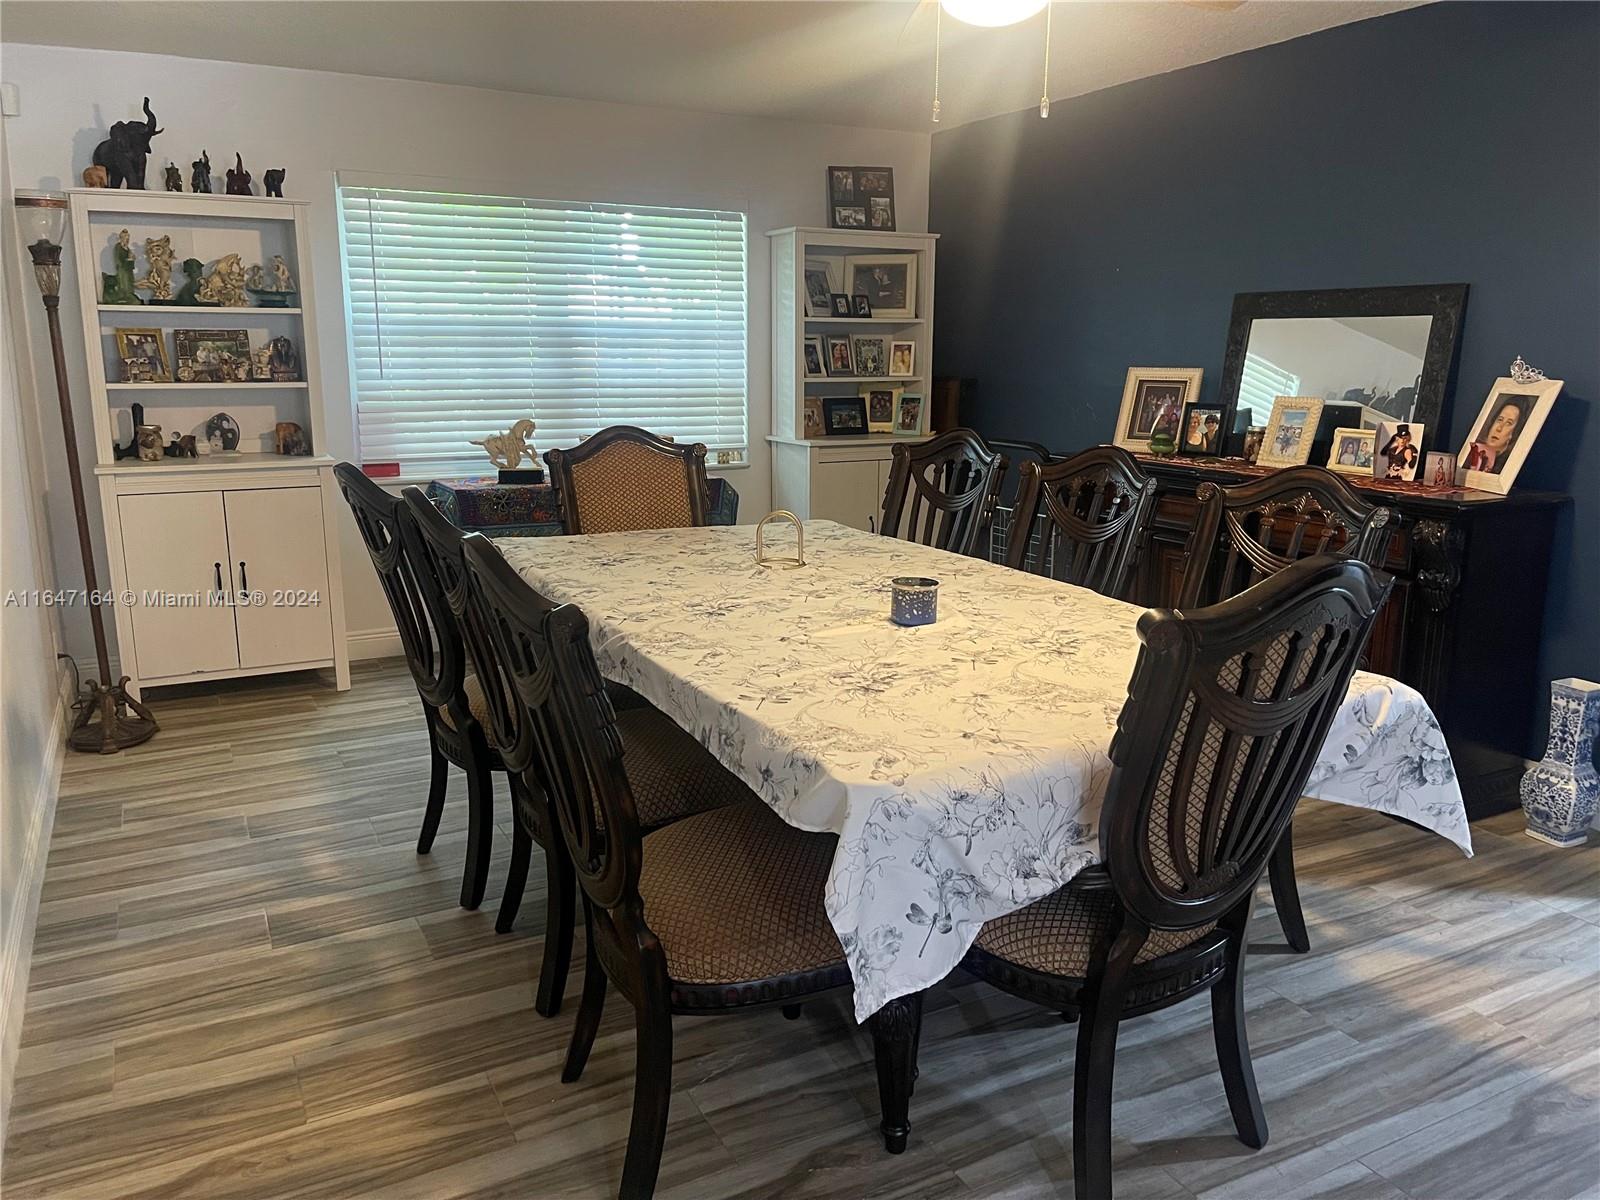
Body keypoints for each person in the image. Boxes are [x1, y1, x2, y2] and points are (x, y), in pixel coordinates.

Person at [1470, 397, 1526, 472]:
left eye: (1508, 423)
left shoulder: (1507, 465)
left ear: (1514, 433)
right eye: (1500, 420)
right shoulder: (1472, 450)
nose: (1499, 428)